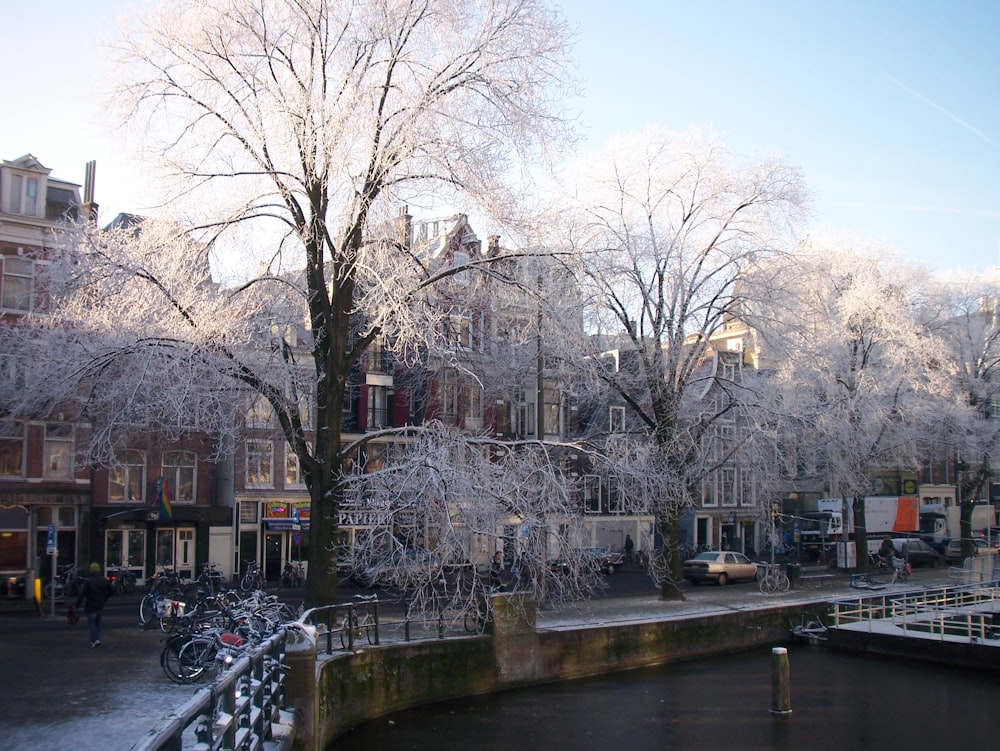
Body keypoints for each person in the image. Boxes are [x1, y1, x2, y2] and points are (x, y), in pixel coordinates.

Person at [75, 562, 114, 648]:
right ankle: (97, 638)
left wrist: (76, 606)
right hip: (100, 604)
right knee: (97, 623)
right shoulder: (104, 580)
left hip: (90, 605)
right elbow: (112, 590)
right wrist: (105, 598)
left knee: (91, 623)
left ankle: (94, 639)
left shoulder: (88, 581)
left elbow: (82, 594)